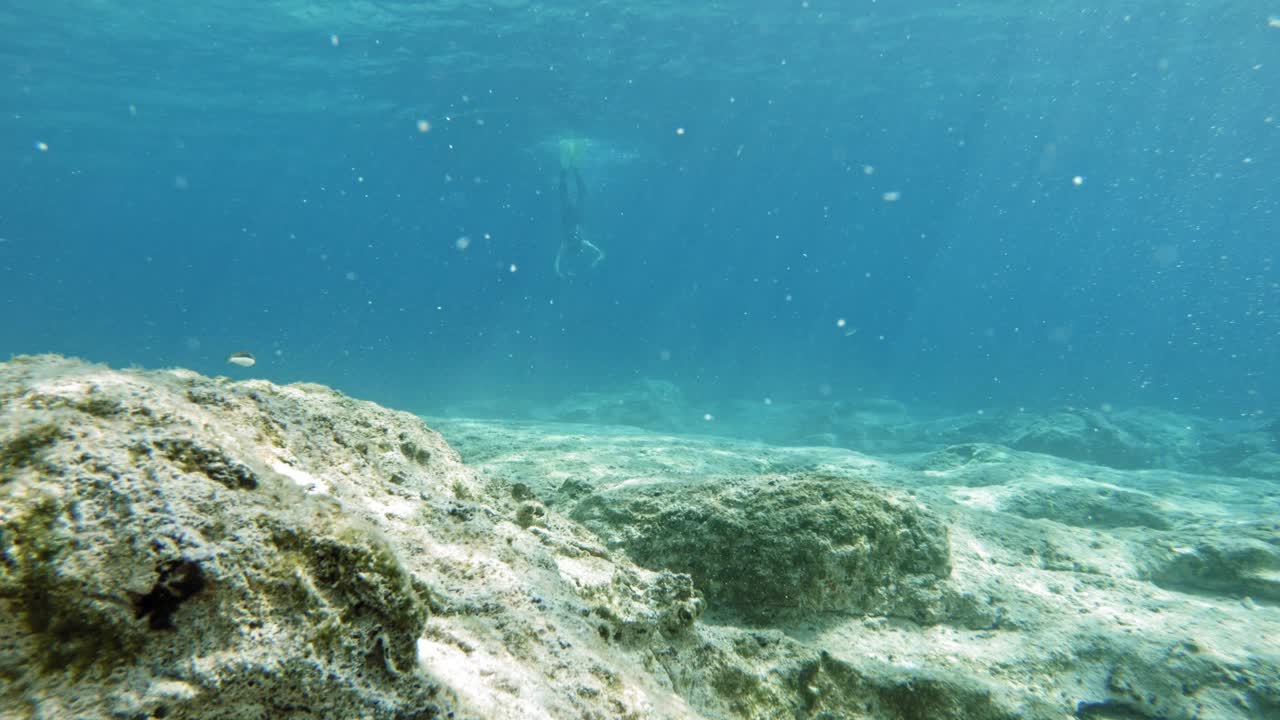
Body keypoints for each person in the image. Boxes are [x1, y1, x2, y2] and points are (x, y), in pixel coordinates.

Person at [555, 163, 605, 278]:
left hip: (568, 218)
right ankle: (573, 170)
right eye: (576, 240)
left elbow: (556, 262)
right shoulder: (582, 243)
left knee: (565, 195)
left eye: (574, 240)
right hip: (577, 218)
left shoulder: (565, 245)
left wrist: (559, 272)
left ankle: (565, 170)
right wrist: (596, 261)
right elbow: (601, 253)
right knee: (580, 195)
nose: (575, 237)